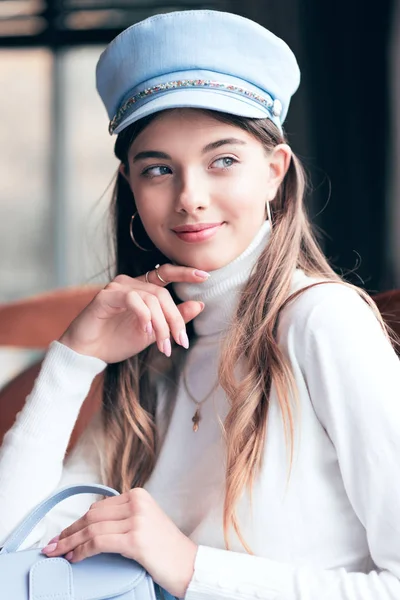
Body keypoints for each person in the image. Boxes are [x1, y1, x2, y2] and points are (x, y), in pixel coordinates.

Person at [1, 8, 400, 600]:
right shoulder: (151, 344)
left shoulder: (322, 321)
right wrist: (75, 357)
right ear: (132, 188)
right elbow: (12, 539)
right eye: (158, 169)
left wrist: (190, 567)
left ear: (274, 171)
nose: (190, 197)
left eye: (223, 161)